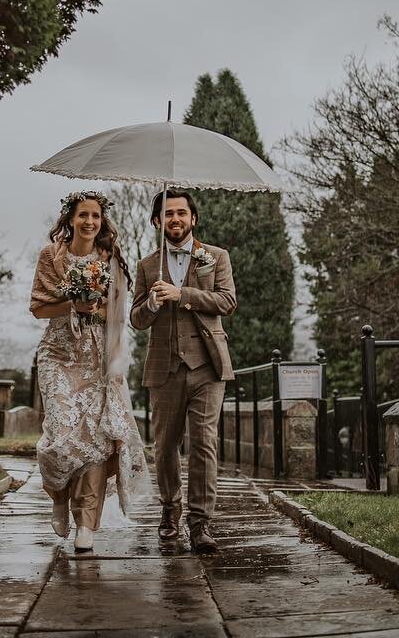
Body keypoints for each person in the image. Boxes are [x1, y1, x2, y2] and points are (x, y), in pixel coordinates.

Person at [29, 190, 149, 553]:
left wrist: (114, 363)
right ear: (70, 218)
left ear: (103, 221)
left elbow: (116, 318)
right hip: (58, 354)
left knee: (97, 440)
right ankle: (58, 495)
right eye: (83, 215)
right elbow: (37, 307)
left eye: (96, 216)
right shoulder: (51, 256)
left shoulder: (110, 259)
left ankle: (87, 524)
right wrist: (73, 303)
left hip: (96, 356)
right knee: (61, 435)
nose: (90, 222)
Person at [130, 188, 236, 554]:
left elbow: (227, 301)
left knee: (204, 443)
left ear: (193, 218)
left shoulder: (215, 257)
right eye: (168, 214)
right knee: (164, 447)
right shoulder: (147, 266)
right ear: (157, 222)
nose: (175, 219)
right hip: (164, 369)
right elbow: (136, 320)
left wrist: (183, 294)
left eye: (181, 213)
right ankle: (170, 511)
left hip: (207, 365)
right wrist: (153, 303)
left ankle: (201, 523)